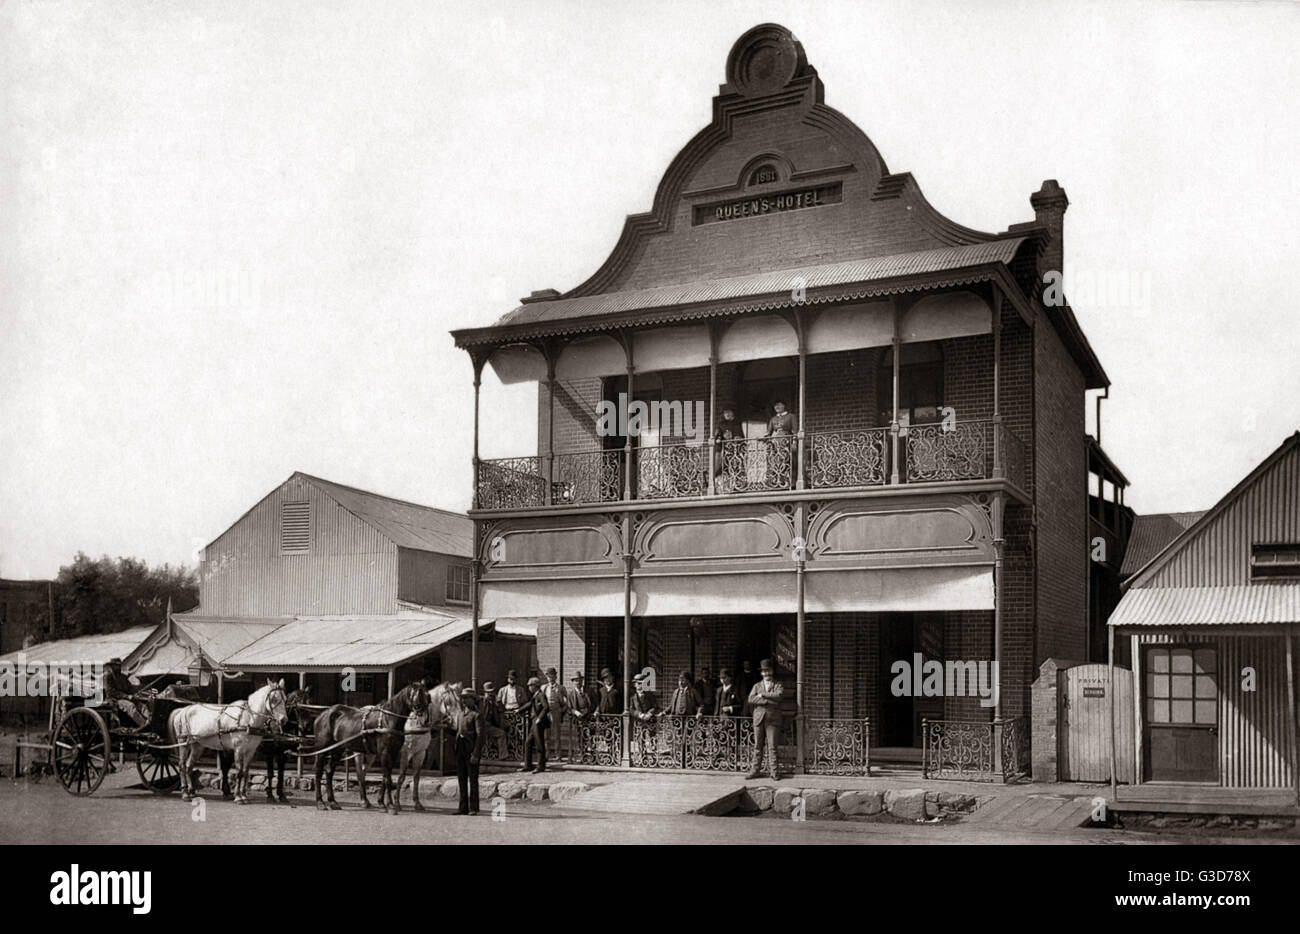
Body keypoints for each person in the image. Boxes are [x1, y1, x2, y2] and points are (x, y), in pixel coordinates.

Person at [746, 659, 784, 780]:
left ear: (772, 671)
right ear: (761, 673)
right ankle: (755, 770)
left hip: (773, 719)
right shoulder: (757, 685)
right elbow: (751, 699)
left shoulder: (778, 684)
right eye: (764, 671)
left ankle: (774, 772)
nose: (766, 673)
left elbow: (779, 696)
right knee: (758, 746)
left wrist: (762, 695)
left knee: (772, 746)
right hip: (758, 719)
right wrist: (768, 701)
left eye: (768, 670)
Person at [455, 687, 485, 815]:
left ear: (473, 700)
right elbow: (458, 731)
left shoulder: (477, 715)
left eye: (467, 698)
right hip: (460, 749)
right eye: (463, 698)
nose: (464, 701)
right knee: (461, 778)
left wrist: (476, 753)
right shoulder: (461, 714)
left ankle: (473, 808)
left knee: (472, 779)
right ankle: (462, 808)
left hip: (470, 750)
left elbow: (480, 736)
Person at [518, 676, 552, 773]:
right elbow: (530, 704)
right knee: (528, 742)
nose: (529, 688)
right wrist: (519, 710)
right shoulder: (536, 695)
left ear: (535, 686)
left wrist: (539, 718)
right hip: (534, 722)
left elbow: (546, 707)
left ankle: (541, 766)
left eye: (530, 686)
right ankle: (527, 765)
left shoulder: (541, 695)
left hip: (538, 723)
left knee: (539, 744)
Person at [103, 658, 147, 728]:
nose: (118, 667)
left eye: (119, 665)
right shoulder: (108, 677)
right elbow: (111, 692)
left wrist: (140, 689)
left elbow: (130, 688)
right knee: (130, 706)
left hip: (126, 698)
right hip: (114, 700)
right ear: (112, 666)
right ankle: (143, 726)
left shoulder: (123, 677)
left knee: (141, 705)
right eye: (116, 665)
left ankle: (149, 722)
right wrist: (127, 696)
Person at [540, 667, 569, 758]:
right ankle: (546, 753)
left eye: (552, 675)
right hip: (546, 712)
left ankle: (558, 754)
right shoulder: (544, 687)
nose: (550, 678)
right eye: (548, 676)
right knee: (546, 735)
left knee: (557, 734)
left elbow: (566, 702)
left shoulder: (561, 688)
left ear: (555, 677)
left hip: (556, 712)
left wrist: (561, 711)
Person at [766, 400, 795, 488]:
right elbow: (768, 432)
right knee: (777, 462)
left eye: (779, 405)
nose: (777, 407)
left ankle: (790, 482)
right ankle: (778, 481)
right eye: (775, 406)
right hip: (776, 443)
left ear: (784, 406)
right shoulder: (773, 419)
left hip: (787, 440)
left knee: (788, 460)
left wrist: (794, 442)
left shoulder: (791, 416)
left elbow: (795, 430)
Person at [480, 681, 505, 759]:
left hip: (488, 726)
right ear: (485, 693)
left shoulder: (493, 703)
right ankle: (502, 756)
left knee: (502, 732)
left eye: (492, 692)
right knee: (501, 733)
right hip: (481, 726)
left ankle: (500, 755)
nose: (490, 694)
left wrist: (498, 701)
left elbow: (501, 710)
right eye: (488, 693)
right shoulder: (481, 701)